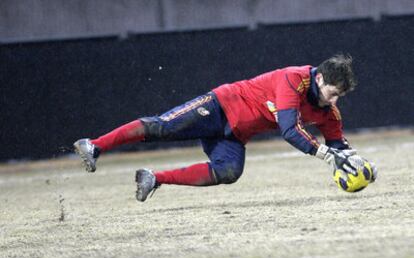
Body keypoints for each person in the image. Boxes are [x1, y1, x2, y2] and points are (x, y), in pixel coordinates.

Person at [74, 54, 377, 202]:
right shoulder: (294, 79)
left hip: (235, 135)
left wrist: (361, 165)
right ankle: (95, 145)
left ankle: (153, 179)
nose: (335, 101)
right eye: (333, 93)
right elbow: (289, 129)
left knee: (229, 172)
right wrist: (326, 155)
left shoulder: (330, 113)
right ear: (321, 79)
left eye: (340, 96)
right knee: (162, 128)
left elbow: (339, 146)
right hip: (220, 107)